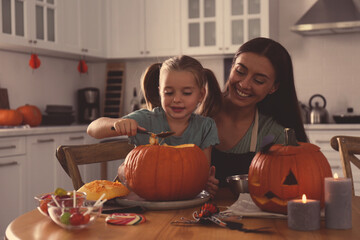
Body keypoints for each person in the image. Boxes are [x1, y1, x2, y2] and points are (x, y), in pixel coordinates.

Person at [87, 55, 222, 196]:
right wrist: (115, 124)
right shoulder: (146, 120)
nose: (176, 99)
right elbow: (92, 129)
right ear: (160, 92)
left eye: (186, 93)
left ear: (201, 95)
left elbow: (202, 172)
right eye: (168, 92)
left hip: (187, 203)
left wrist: (206, 182)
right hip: (144, 202)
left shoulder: (206, 127)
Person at [206, 37, 308, 190]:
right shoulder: (199, 111)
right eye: (240, 71)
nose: (244, 84)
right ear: (232, 67)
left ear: (273, 87)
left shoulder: (274, 135)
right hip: (191, 212)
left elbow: (291, 188)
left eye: (259, 80)